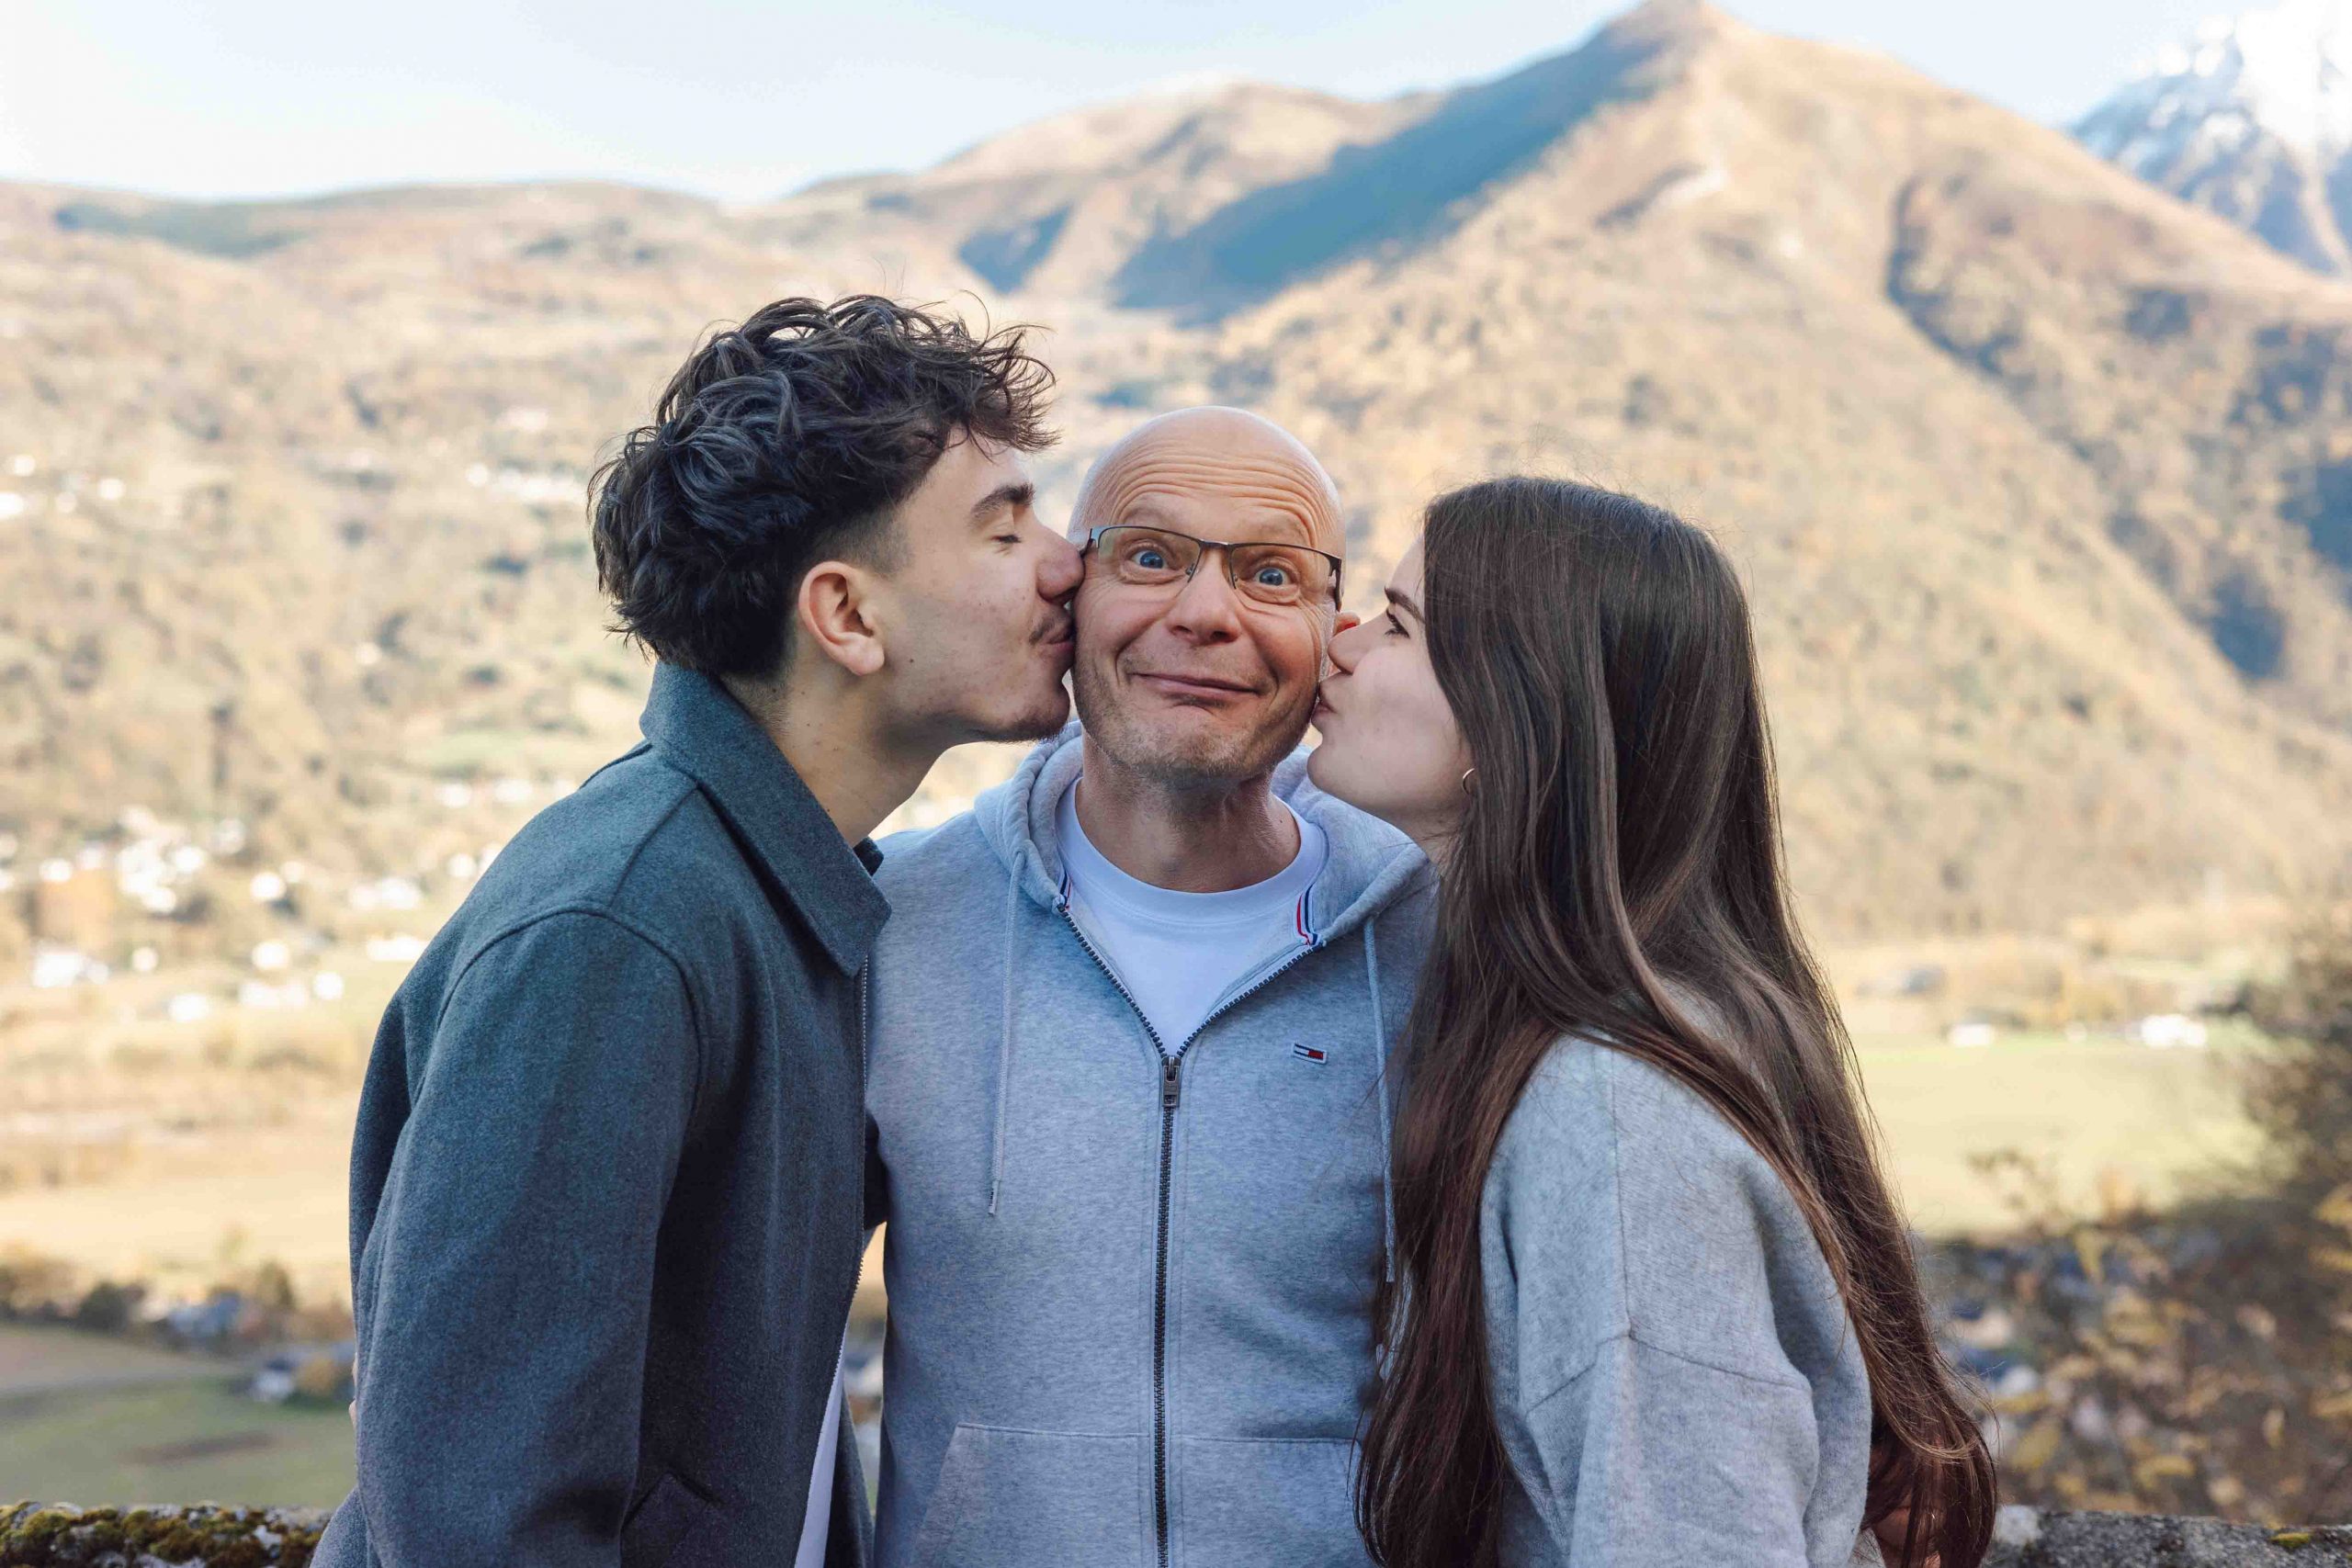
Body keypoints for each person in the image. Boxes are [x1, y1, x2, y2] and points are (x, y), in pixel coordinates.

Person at [315, 296, 1082, 1568]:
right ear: (847, 616)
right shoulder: (620, 931)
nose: (1068, 560)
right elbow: (476, 1515)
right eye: (1006, 527)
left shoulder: (786, 895)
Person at [1311, 478, 1998, 1568]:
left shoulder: (1616, 1122)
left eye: (1398, 625)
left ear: (1513, 718)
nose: (1337, 645)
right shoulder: (1633, 1033)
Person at [862, 406, 1433, 1568]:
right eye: (1151, 556)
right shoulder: (889, 928)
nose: (1205, 612)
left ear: (1335, 634)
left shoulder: (1441, 948)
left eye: (1271, 573)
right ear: (1068, 601)